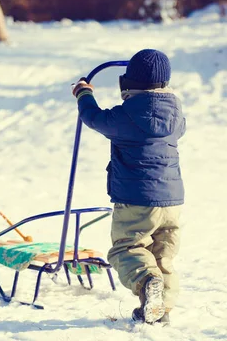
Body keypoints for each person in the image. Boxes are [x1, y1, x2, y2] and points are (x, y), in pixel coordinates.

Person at [71, 49, 186, 324]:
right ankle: (160, 309)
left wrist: (83, 94)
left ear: (128, 84)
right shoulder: (176, 115)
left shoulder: (125, 116)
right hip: (172, 201)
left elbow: (94, 118)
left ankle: (147, 282)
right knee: (163, 256)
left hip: (136, 198)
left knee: (127, 249)